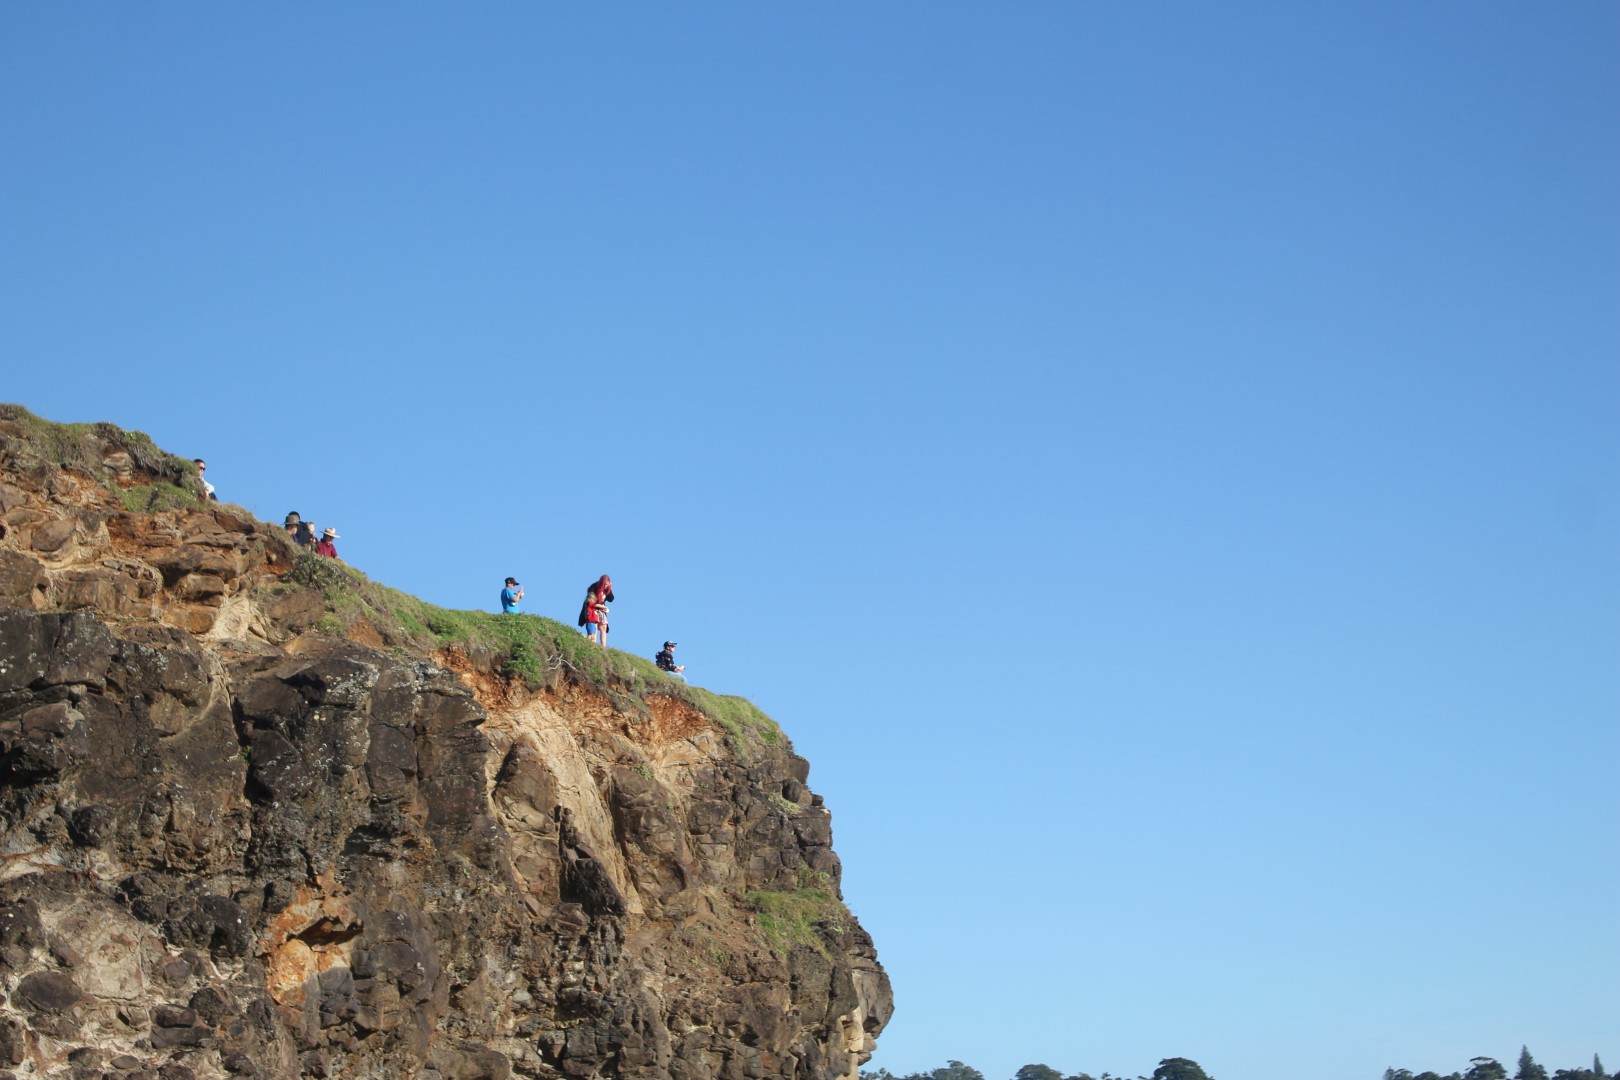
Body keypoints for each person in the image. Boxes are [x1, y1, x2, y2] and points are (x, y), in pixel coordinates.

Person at [578, 574, 614, 646]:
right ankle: (593, 644)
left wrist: (610, 588)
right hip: (593, 610)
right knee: (595, 626)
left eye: (607, 585)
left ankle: (603, 647)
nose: (606, 586)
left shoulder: (607, 589)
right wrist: (601, 606)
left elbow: (611, 599)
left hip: (602, 610)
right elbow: (590, 602)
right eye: (605, 585)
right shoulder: (594, 587)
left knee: (604, 627)